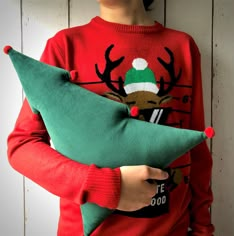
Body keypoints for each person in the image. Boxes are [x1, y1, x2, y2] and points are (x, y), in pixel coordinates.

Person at [7, 0, 214, 235]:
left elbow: (197, 150)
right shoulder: (65, 47)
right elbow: (22, 146)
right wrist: (105, 186)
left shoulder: (182, 48)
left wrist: (202, 228)